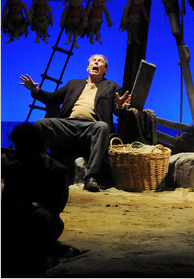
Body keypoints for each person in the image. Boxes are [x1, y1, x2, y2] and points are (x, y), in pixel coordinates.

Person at [19, 54, 131, 192]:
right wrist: (35, 90)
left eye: (100, 61)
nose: (96, 62)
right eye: (93, 60)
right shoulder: (73, 83)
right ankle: (35, 169)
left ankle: (91, 177)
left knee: (102, 127)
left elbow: (117, 111)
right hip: (67, 124)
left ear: (105, 70)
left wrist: (120, 107)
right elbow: (52, 99)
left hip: (91, 127)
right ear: (87, 67)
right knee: (41, 123)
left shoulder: (112, 86)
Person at [1, 123, 69, 277]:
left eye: (19, 145)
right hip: (18, 216)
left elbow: (56, 206)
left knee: (40, 217)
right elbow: (7, 200)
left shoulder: (57, 171)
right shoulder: (14, 168)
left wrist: (28, 206)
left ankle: (41, 261)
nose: (15, 149)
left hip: (46, 220)